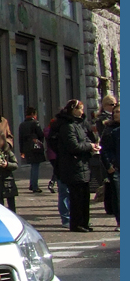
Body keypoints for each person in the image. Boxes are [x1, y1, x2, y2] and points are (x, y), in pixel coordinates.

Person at [54, 98, 101, 233]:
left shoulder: (80, 124)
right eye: (79, 108)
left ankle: (84, 222)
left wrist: (92, 147)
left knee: (85, 196)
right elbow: (73, 146)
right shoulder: (67, 126)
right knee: (76, 197)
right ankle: (76, 224)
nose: (82, 111)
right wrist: (89, 146)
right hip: (72, 166)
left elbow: (86, 139)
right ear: (72, 110)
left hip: (83, 164)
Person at [18, 107, 47, 193]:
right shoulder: (35, 123)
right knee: (35, 167)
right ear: (33, 114)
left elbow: (20, 139)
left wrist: (22, 150)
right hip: (35, 148)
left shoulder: (22, 125)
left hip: (27, 148)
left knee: (33, 166)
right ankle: (34, 185)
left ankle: (32, 184)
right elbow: (41, 135)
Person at [100, 103, 119, 231]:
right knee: (118, 195)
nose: (118, 114)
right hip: (117, 168)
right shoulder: (110, 130)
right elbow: (104, 149)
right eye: (116, 112)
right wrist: (109, 165)